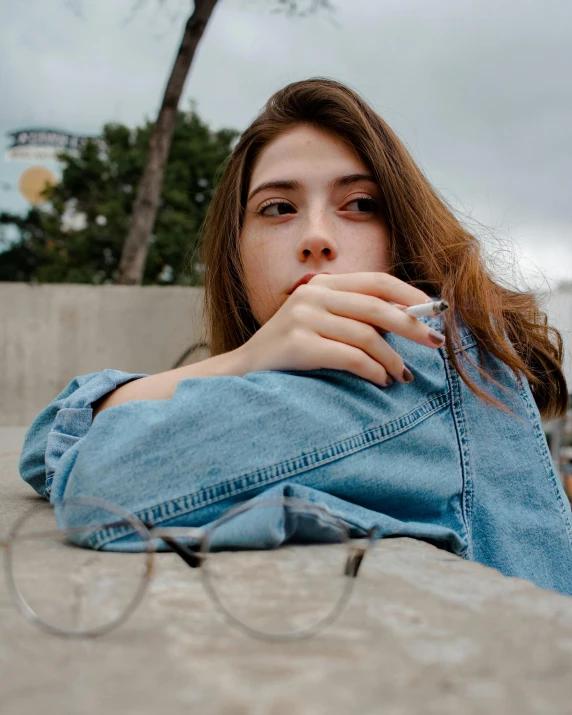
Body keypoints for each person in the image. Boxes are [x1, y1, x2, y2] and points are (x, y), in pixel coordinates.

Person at [19, 78, 572, 596]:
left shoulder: (416, 361)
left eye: (359, 204)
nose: (315, 237)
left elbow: (98, 480)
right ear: (236, 255)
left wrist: (239, 362)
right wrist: (245, 360)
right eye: (278, 208)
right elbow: (47, 444)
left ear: (401, 236)